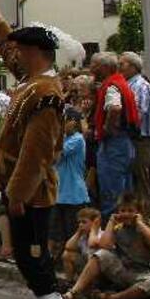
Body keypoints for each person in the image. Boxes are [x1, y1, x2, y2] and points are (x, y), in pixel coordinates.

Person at [0, 0, 79, 299]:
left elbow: (37, 152)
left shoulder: (45, 94)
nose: (15, 55)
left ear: (38, 53)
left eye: (22, 50)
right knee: (26, 259)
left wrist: (18, 192)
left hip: (33, 193)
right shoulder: (31, 82)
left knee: (36, 261)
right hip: (21, 188)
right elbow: (7, 50)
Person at [63, 191, 150, 299]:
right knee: (101, 254)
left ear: (138, 213)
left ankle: (111, 298)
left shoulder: (147, 228)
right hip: (122, 270)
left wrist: (139, 223)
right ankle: (73, 292)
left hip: (141, 273)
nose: (126, 214)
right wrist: (111, 222)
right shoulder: (118, 229)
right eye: (123, 211)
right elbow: (105, 245)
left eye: (130, 211)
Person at [90, 52, 140, 219]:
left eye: (94, 65)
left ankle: (111, 232)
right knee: (125, 190)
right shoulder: (121, 82)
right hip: (124, 143)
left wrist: (107, 128)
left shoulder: (111, 86)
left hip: (114, 144)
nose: (91, 69)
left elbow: (115, 108)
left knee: (112, 192)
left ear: (104, 68)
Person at [49, 107, 91, 259]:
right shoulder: (62, 138)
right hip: (58, 193)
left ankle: (72, 260)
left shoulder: (77, 139)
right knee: (54, 231)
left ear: (73, 122)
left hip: (74, 194)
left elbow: (56, 155)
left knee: (72, 231)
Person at [120, 52, 150, 218]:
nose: (120, 67)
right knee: (133, 178)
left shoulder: (140, 85)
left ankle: (146, 216)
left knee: (140, 177)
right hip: (132, 137)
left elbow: (138, 113)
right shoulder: (128, 84)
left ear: (134, 66)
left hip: (140, 138)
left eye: (123, 64)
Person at [61, 207, 102, 284]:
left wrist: (93, 229)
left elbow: (92, 243)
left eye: (84, 222)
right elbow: (68, 247)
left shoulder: (101, 235)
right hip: (86, 268)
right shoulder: (83, 236)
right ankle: (69, 283)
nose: (80, 225)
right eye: (79, 222)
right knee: (67, 254)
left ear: (95, 222)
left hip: (99, 272)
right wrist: (78, 233)